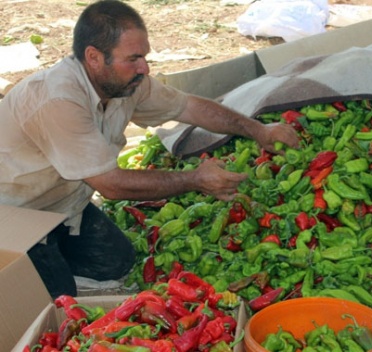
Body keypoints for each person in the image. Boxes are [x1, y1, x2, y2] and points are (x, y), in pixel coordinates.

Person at [0, 0, 299, 298]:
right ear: (93, 57)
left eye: (144, 56)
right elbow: (112, 186)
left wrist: (259, 130)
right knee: (55, 298)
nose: (144, 67)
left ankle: (50, 251)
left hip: (63, 202)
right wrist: (195, 179)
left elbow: (189, 107)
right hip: (14, 211)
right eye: (133, 58)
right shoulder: (58, 100)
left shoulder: (127, 83)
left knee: (116, 263)